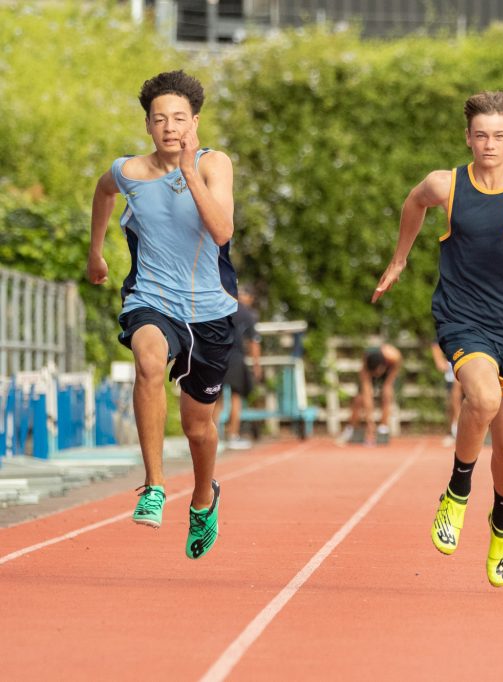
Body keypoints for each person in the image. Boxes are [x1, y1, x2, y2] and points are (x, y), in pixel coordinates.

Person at [372, 90, 503, 587]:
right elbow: (414, 202)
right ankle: (456, 491)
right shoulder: (447, 184)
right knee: (480, 396)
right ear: (468, 137)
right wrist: (399, 258)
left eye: (499, 136)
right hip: (463, 318)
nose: (489, 144)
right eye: (481, 136)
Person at [86, 70, 236, 560]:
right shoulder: (129, 171)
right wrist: (96, 253)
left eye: (178, 118)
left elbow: (221, 231)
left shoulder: (215, 164)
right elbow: (102, 191)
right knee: (148, 362)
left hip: (210, 312)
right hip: (152, 298)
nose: (169, 127)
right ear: (148, 125)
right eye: (159, 119)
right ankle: (153, 485)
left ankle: (201, 496)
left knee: (198, 429)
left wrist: (189, 171)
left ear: (194, 121)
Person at [220, 285, 261, 450]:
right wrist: (256, 365)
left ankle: (212, 436)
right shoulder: (248, 314)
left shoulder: (223, 307)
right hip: (236, 357)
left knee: (215, 398)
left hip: (219, 356)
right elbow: (254, 342)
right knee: (236, 398)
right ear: (250, 298)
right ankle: (232, 435)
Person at [340, 344, 402, 445]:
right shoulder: (366, 365)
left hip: (390, 372)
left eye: (377, 372)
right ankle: (351, 428)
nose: (376, 375)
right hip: (370, 369)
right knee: (359, 399)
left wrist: (388, 385)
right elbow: (367, 393)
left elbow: (389, 384)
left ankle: (383, 428)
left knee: (387, 394)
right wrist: (370, 421)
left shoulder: (393, 357)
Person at [432, 342, 463, 446]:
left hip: (471, 363)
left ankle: (485, 432)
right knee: (451, 401)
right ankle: (453, 429)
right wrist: (439, 361)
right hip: (452, 368)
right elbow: (436, 343)